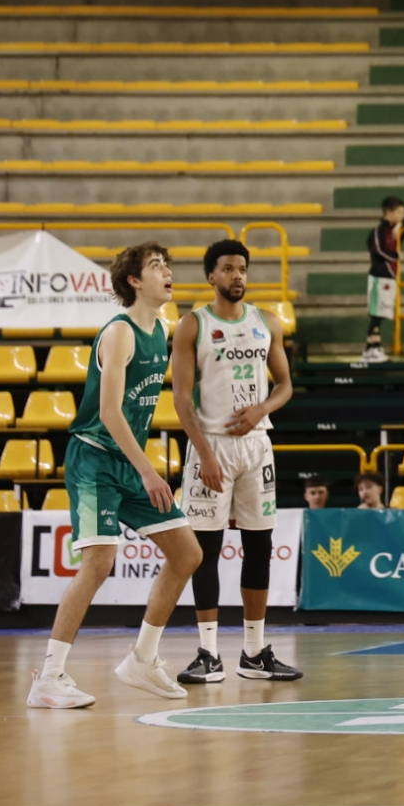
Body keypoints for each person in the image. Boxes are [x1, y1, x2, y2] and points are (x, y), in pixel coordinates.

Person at [26, 243, 203, 710]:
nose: (167, 271)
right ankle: (49, 677)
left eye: (167, 264)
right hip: (95, 459)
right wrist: (148, 471)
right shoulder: (120, 333)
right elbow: (108, 412)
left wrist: (141, 467)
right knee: (99, 563)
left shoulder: (160, 330)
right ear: (134, 281)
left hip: (128, 462)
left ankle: (142, 659)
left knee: (186, 553)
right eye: (156, 266)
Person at [173, 240, 301, 686]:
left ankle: (254, 652)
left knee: (260, 547)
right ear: (211, 276)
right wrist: (204, 453)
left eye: (242, 269)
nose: (237, 276)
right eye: (228, 269)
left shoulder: (267, 322)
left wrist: (261, 409)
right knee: (204, 551)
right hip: (210, 445)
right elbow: (181, 398)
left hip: (256, 446)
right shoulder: (193, 324)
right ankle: (208, 653)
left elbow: (285, 386)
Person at [363, 196, 404, 363]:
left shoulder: (393, 230)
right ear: (389, 212)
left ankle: (372, 348)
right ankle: (371, 349)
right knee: (377, 314)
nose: (403, 215)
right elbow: (376, 250)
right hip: (379, 276)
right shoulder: (379, 230)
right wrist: (395, 255)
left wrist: (399, 227)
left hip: (389, 278)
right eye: (400, 212)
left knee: (382, 313)